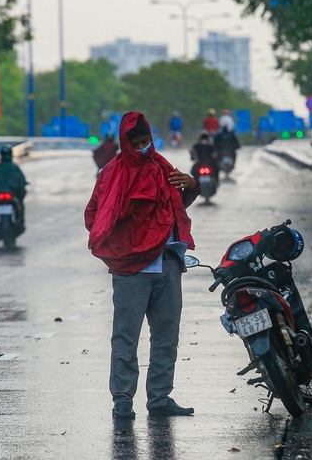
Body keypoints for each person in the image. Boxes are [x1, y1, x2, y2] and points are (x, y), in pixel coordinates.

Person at [84, 111, 201, 420]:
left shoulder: (162, 167)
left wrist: (193, 186)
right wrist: (126, 240)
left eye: (146, 141)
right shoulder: (113, 174)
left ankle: (160, 398)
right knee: (125, 337)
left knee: (167, 336)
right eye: (136, 143)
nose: (142, 147)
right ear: (125, 143)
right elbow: (98, 216)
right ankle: (122, 400)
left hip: (167, 263)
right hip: (131, 269)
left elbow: (173, 208)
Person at [0, 145, 28, 230]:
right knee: (20, 204)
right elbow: (21, 181)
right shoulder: (14, 167)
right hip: (11, 194)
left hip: (1, 194)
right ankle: (20, 221)